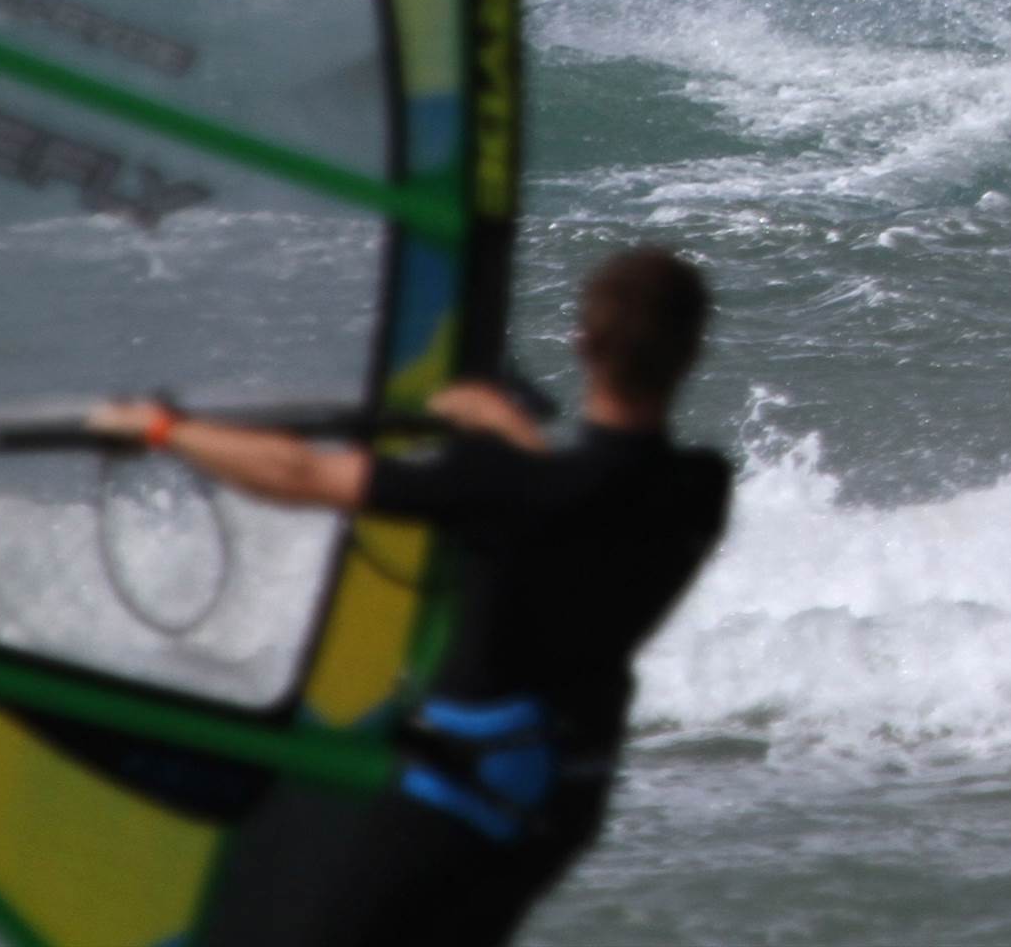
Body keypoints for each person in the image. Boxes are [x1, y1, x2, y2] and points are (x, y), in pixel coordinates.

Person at [93, 246, 733, 947]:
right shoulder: (700, 489)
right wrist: (500, 439)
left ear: (583, 343)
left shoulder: (504, 487)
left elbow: (300, 474)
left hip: (467, 791)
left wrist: (163, 428)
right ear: (693, 351)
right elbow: (578, 495)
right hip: (568, 794)